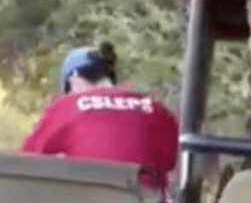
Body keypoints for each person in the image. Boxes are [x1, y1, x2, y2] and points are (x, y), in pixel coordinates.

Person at [21, 42, 179, 192]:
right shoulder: (156, 110)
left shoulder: (67, 106)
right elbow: (171, 162)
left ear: (74, 80)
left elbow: (26, 162)